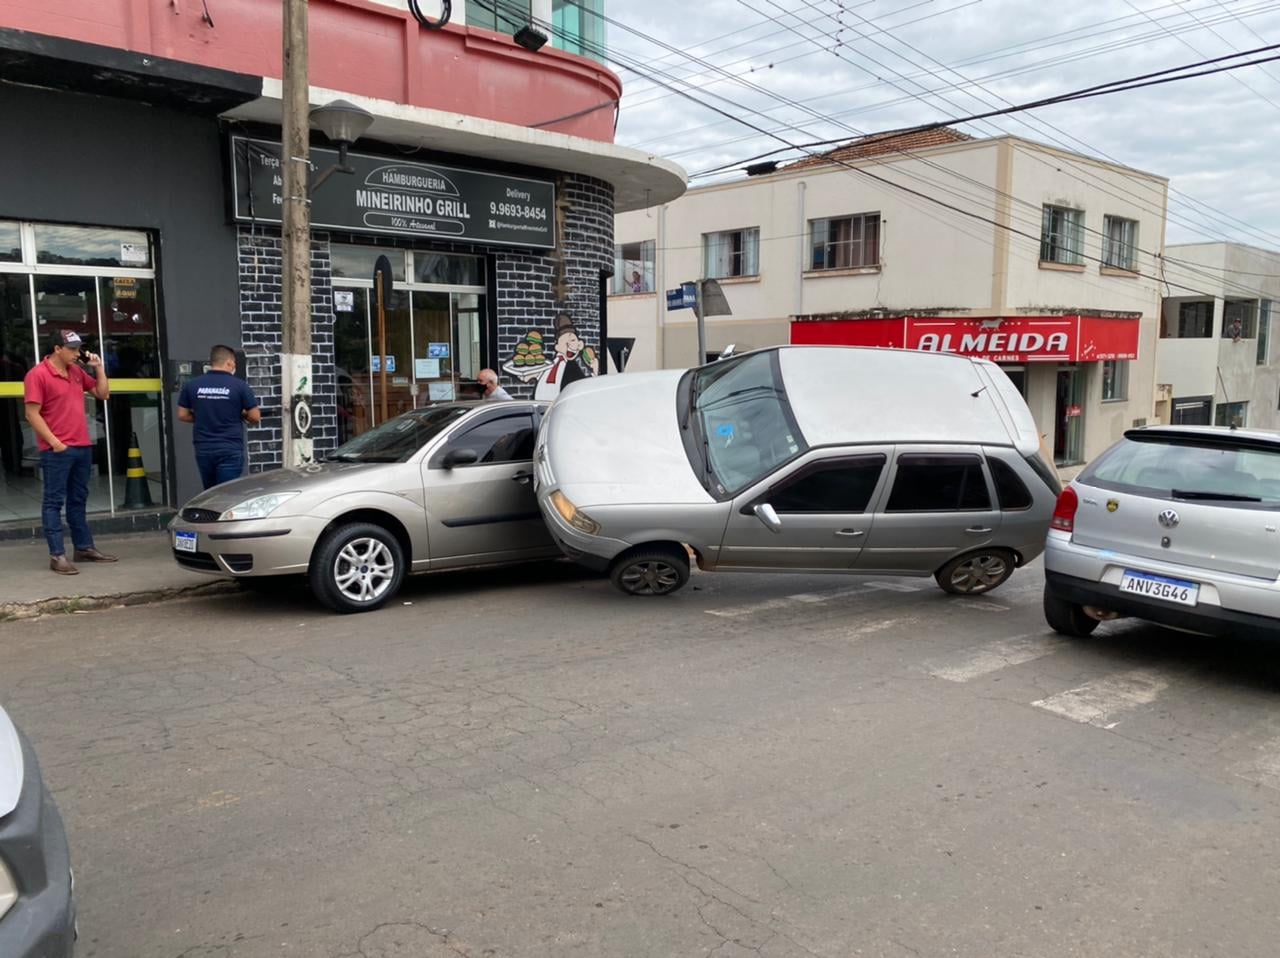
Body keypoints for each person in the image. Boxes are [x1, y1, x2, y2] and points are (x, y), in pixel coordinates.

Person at [23, 329, 117, 575]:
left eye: (78, 349)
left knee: (78, 499)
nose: (78, 354)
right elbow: (31, 413)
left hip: (81, 445)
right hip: (58, 449)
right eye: (72, 349)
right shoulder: (38, 375)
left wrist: (98, 368)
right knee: (53, 502)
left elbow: (103, 393)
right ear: (57, 348)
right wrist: (54, 442)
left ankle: (84, 547)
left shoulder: (76, 372)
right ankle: (57, 555)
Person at [177, 345, 261, 489]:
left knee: (210, 493)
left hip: (204, 447)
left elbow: (182, 415)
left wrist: (203, 417)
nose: (234, 366)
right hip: (230, 447)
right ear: (229, 363)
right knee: (226, 493)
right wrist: (240, 415)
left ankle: (209, 512)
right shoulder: (240, 386)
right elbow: (255, 417)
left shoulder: (192, 385)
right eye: (234, 363)